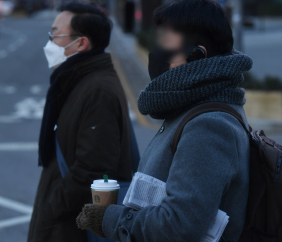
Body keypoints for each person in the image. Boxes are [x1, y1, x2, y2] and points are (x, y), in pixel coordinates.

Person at [76, 0, 253, 242]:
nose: (154, 52)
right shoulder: (188, 108)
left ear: (196, 55)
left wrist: (109, 219)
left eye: (164, 42)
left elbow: (179, 225)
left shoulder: (209, 126)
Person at [27, 2, 133, 242]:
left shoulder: (97, 91)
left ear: (81, 43)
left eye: (55, 34)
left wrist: (53, 207)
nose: (49, 42)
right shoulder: (79, 82)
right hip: (63, 223)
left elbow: (93, 170)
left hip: (70, 229)